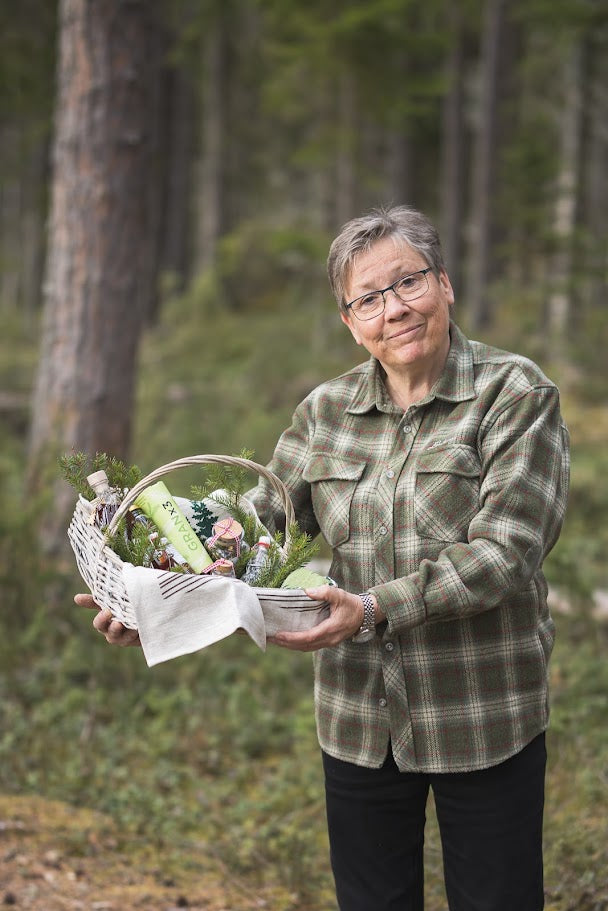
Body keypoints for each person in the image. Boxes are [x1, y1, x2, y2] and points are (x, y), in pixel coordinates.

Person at [76, 205, 570, 911]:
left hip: (484, 711)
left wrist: (374, 607)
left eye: (408, 283)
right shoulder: (325, 410)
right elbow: (251, 534)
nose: (393, 309)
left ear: (446, 285)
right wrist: (152, 602)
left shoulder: (514, 393)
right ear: (349, 320)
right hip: (358, 715)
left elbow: (506, 551)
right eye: (368, 298)